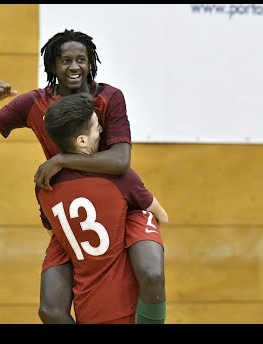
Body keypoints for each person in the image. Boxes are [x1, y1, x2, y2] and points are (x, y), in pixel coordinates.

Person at [0, 29, 166, 324]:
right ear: (53, 66)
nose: (74, 66)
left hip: (119, 202)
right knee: (51, 311)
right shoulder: (33, 102)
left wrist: (61, 159)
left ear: (90, 62)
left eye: (81, 59)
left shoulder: (109, 97)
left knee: (151, 273)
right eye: (65, 60)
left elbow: (121, 161)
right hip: (69, 209)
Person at [36, 92, 167, 323]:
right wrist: (133, 219)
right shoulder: (118, 178)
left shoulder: (44, 187)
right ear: (82, 141)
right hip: (126, 308)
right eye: (96, 127)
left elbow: (55, 235)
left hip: (86, 308)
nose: (102, 131)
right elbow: (161, 215)